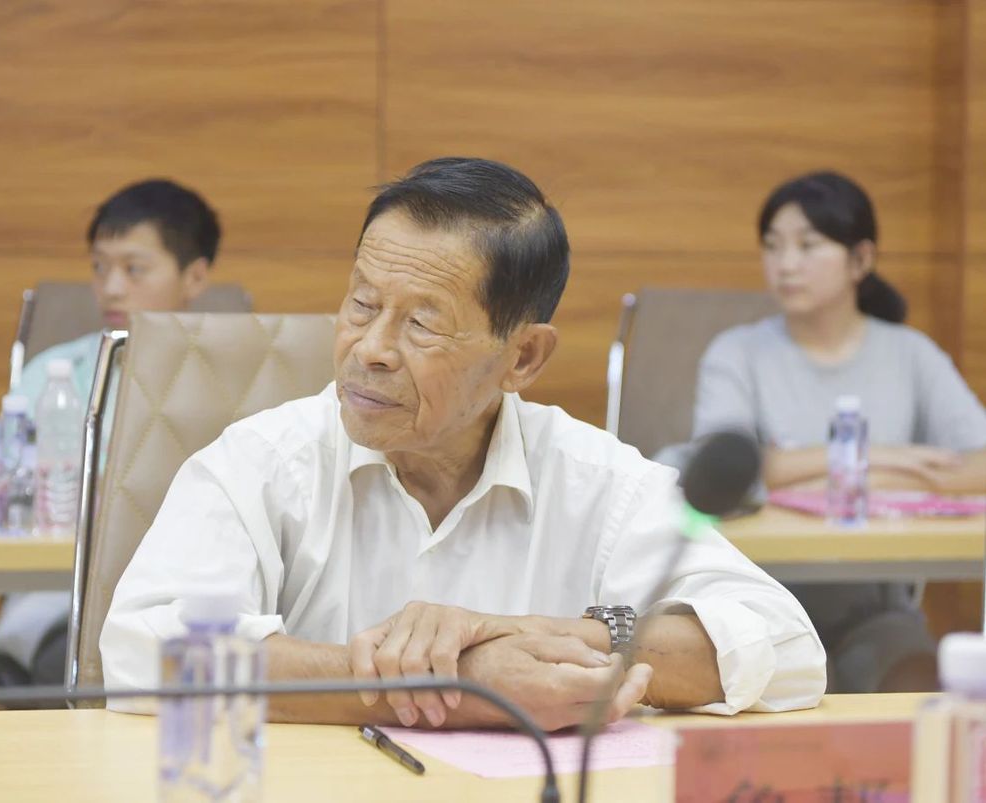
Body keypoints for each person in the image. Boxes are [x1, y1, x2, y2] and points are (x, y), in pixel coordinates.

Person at [101, 157, 825, 730]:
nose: (370, 348)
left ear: (523, 357)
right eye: (361, 303)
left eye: (422, 323)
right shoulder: (260, 463)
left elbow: (786, 645)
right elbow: (147, 651)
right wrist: (464, 686)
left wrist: (537, 637)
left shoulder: (593, 476)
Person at [691, 170, 986, 693]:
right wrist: (886, 457)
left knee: (920, 687)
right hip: (756, 613)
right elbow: (727, 472)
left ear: (861, 260)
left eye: (808, 245)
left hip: (877, 615)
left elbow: (979, 463)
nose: (786, 264)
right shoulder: (735, 353)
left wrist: (814, 471)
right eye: (773, 246)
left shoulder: (910, 353)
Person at [0, 178, 220, 686]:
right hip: (62, 609)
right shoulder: (51, 376)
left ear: (195, 275)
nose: (111, 287)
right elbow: (5, 493)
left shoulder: (232, 378)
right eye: (99, 267)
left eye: (134, 269)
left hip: (192, 606)